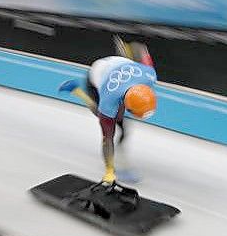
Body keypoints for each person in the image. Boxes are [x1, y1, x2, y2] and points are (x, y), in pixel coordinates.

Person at [59, 37, 158, 184]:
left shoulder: (149, 75)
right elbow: (107, 140)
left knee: (121, 124)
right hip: (96, 76)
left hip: (117, 66)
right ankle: (75, 89)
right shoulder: (109, 99)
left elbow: (140, 48)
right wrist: (109, 171)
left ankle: (119, 158)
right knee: (107, 118)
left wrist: (131, 49)